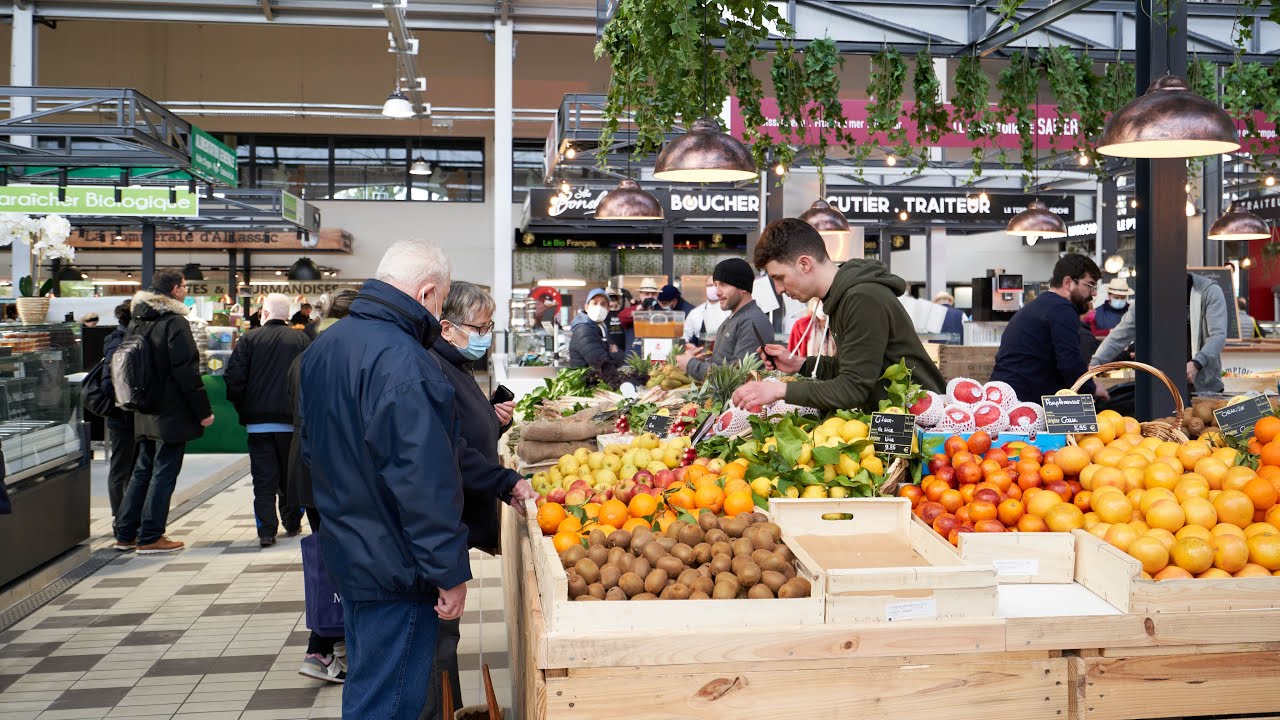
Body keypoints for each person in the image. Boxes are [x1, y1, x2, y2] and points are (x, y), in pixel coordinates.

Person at [300, 239, 469, 719]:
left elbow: (309, 454)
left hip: (352, 550)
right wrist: (448, 572)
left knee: (369, 685)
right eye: (442, 301)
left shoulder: (327, 346)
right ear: (427, 293)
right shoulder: (406, 362)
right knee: (392, 700)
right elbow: (423, 481)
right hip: (399, 565)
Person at [423, 282, 538, 720]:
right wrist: (506, 481)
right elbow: (451, 452)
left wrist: (494, 423)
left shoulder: (455, 364)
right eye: (481, 326)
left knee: (443, 640)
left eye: (491, 325)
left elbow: (466, 435)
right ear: (447, 326)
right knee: (436, 641)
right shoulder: (433, 367)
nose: (487, 334)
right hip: (441, 525)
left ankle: (443, 708)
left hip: (455, 521)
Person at [732, 218, 944, 413]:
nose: (779, 289)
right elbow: (852, 366)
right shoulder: (842, 297)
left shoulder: (861, 298)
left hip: (923, 422)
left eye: (780, 277)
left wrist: (780, 390)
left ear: (804, 264)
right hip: (895, 418)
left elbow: (852, 388)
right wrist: (800, 364)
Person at [112, 269, 214, 555]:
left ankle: (125, 533)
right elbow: (187, 372)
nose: (186, 290)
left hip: (142, 408)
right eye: (184, 286)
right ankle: (151, 536)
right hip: (170, 412)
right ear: (174, 290)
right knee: (164, 472)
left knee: (142, 470)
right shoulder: (174, 323)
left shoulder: (137, 321)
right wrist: (203, 411)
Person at [289, 289, 358, 685]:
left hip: (304, 469)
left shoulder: (306, 355)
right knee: (338, 562)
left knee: (328, 556)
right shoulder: (341, 357)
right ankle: (322, 648)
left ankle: (331, 645)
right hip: (330, 475)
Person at [225, 292, 311, 548]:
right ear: (288, 314)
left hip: (258, 424)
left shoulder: (249, 339)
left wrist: (245, 407)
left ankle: (266, 530)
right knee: (290, 476)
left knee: (263, 480)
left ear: (263, 313)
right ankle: (293, 522)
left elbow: (234, 378)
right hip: (291, 424)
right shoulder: (301, 339)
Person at [989, 254, 1109, 404]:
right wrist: (1092, 389)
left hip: (1003, 396)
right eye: (1090, 285)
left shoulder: (1041, 305)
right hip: (1022, 404)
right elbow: (1069, 361)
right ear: (1068, 283)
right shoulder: (1062, 309)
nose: (1094, 293)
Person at [1092, 273, 1228, 393]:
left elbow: (1217, 336)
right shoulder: (1148, 295)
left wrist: (1196, 363)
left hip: (1204, 387)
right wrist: (1096, 362)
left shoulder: (1208, 291)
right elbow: (1121, 334)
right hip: (1161, 385)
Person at [677, 259, 774, 382]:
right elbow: (726, 362)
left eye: (723, 285)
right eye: (716, 285)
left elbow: (739, 375)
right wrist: (704, 359)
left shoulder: (752, 321)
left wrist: (691, 365)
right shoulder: (734, 318)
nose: (717, 292)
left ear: (743, 288)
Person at [102, 300, 137, 519]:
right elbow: (109, 383)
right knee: (122, 469)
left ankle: (128, 515)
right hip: (122, 415)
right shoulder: (120, 343)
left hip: (125, 415)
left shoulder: (116, 340)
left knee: (127, 467)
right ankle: (120, 518)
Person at [567, 288, 624, 371]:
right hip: (585, 382)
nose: (599, 307)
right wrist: (613, 353)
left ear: (608, 310)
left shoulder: (602, 328)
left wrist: (612, 356)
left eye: (603, 304)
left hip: (597, 382)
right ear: (586, 307)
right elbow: (602, 365)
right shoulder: (583, 331)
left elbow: (621, 359)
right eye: (595, 303)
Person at [683, 276, 731, 347]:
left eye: (716, 285)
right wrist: (686, 345)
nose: (713, 288)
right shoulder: (695, 312)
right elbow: (685, 334)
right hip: (700, 354)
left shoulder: (730, 311)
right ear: (705, 289)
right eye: (710, 285)